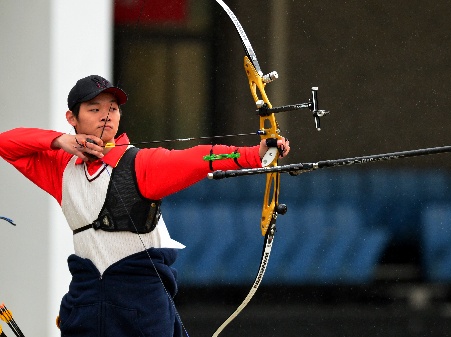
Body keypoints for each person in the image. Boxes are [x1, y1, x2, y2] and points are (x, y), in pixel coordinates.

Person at [0, 75, 290, 337]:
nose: (106, 116)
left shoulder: (139, 164)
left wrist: (257, 153)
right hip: (86, 302)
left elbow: (200, 158)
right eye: (94, 109)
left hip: (139, 307)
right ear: (71, 117)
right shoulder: (60, 168)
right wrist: (58, 140)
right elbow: (6, 143)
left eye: (113, 108)